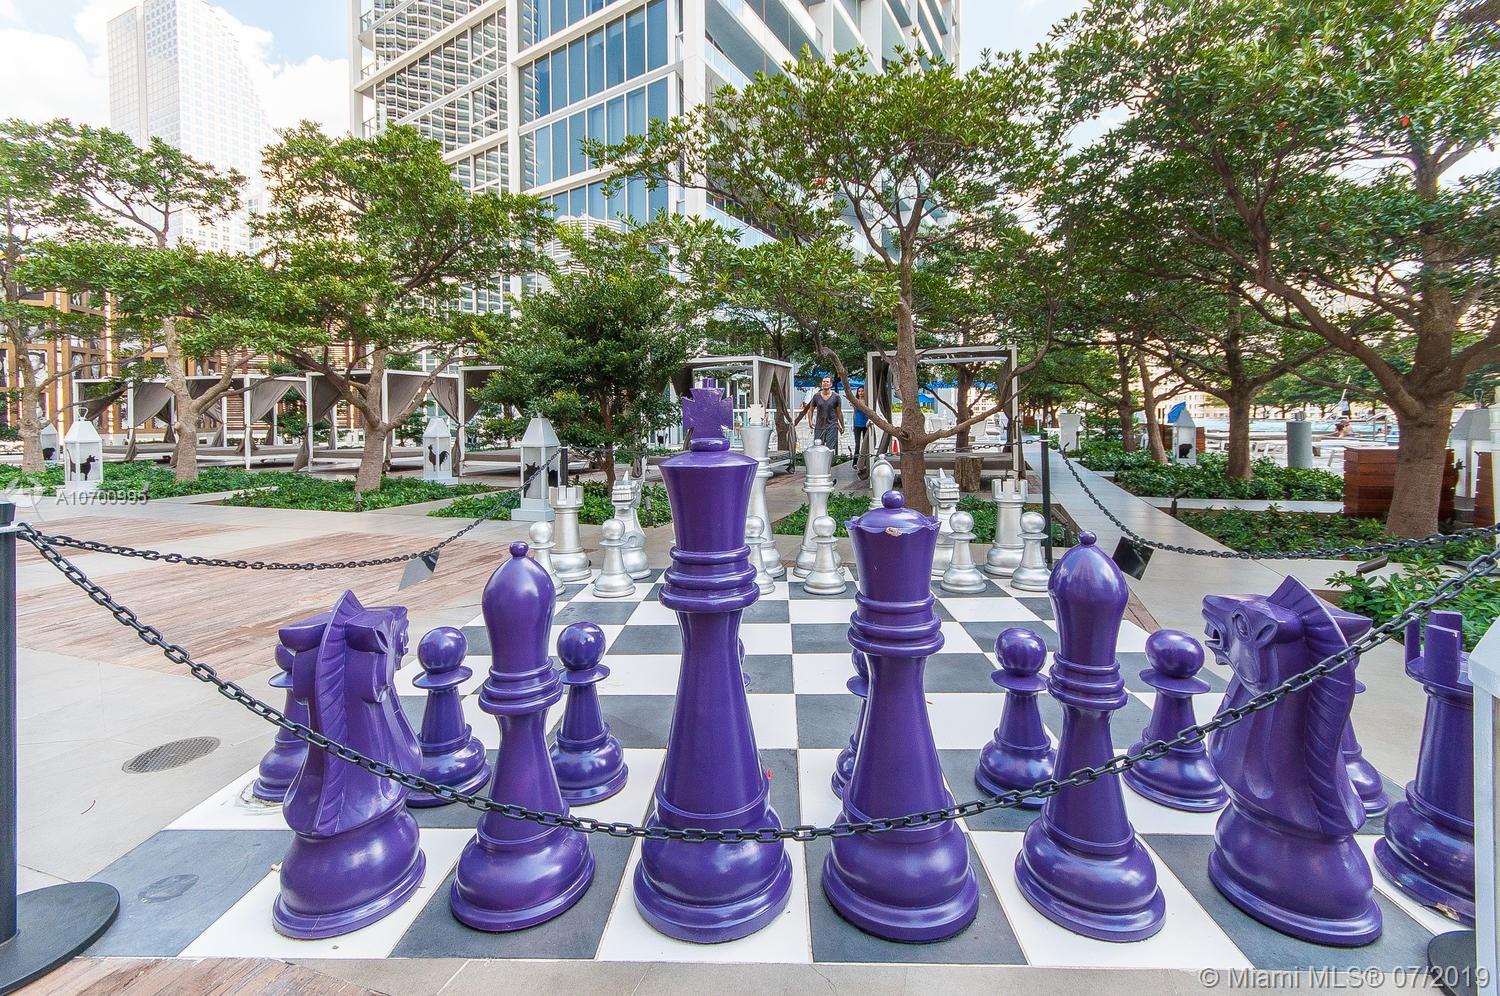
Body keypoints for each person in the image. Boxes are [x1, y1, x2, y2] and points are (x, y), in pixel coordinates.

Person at [796, 376, 845, 453]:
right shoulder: (816, 396)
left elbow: (839, 412)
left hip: (832, 426)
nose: (825, 383)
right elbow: (811, 410)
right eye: (823, 381)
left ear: (831, 384)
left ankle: (830, 461)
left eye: (827, 382)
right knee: (818, 449)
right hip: (819, 426)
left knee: (830, 449)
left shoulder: (836, 397)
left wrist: (842, 425)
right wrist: (810, 422)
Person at [852, 386, 869, 462]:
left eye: (862, 391)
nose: (861, 393)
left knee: (865, 444)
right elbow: (854, 414)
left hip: (865, 424)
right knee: (857, 444)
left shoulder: (867, 401)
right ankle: (855, 462)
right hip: (857, 424)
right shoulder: (855, 401)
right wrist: (853, 425)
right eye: (859, 391)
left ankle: (865, 461)